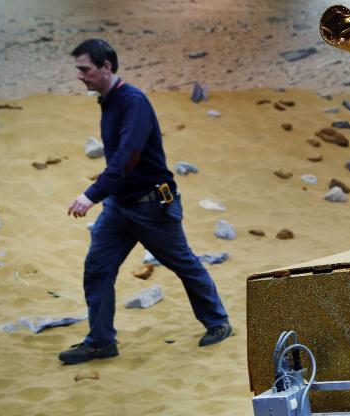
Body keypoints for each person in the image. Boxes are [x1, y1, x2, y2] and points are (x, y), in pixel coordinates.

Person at [60, 38, 232, 365]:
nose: (80, 76)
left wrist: (90, 195)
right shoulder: (108, 100)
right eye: (78, 70)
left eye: (85, 69)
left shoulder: (132, 101)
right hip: (120, 206)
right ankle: (100, 342)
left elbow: (127, 158)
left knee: (183, 263)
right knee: (97, 268)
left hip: (152, 206)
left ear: (106, 66)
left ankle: (218, 322)